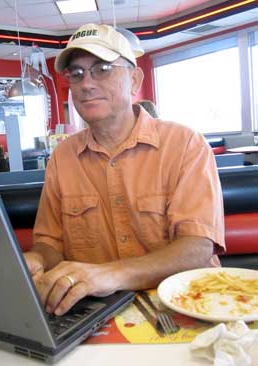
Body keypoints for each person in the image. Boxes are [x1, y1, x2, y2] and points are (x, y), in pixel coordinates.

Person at [24, 23, 225, 316]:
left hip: (187, 307)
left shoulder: (185, 144)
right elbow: (50, 243)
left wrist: (111, 274)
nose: (86, 83)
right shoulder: (63, 157)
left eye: (102, 68)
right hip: (97, 314)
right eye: (76, 74)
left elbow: (196, 248)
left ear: (134, 79)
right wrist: (36, 260)